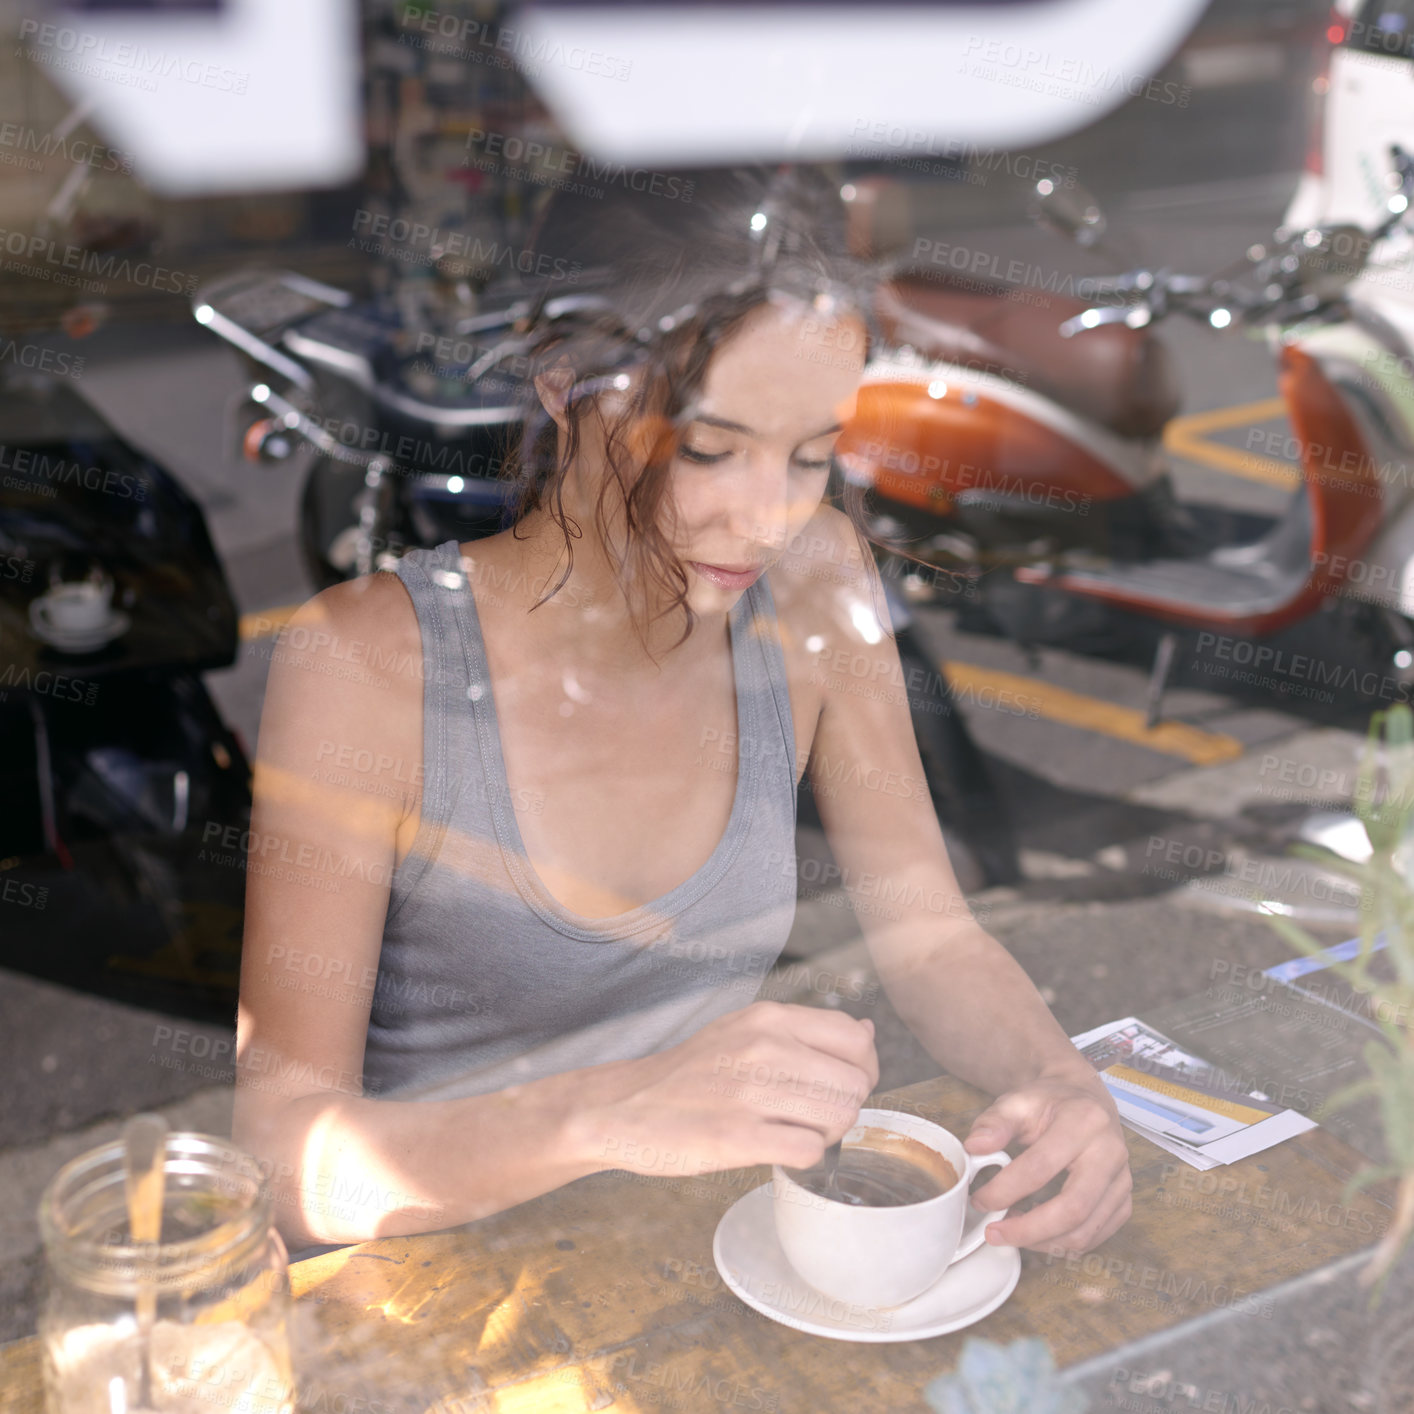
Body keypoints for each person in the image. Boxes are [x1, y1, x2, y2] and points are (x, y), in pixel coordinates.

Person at [233, 165, 1131, 1260]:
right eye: (710, 448)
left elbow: (930, 934)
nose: (768, 517)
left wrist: (1060, 1082)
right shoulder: (368, 663)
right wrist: (609, 1113)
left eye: (811, 454)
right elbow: (284, 1155)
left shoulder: (816, 578)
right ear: (564, 382)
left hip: (718, 1259)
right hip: (443, 1294)